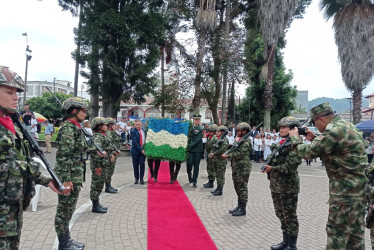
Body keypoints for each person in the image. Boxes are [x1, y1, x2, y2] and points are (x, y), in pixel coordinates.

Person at [289, 102, 367, 249]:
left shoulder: (334, 132)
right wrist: (314, 138)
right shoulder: (349, 127)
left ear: (321, 120)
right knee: (355, 238)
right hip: (359, 193)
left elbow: (307, 153)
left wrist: (295, 139)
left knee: (337, 237)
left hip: (344, 195)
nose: (315, 125)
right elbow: (337, 147)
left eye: (314, 122)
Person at [0, 65, 61, 249]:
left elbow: (22, 159)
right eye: (9, 91)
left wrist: (46, 180)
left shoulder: (13, 122)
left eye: (17, 92)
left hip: (12, 207)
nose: (16, 97)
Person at [54, 97, 91, 250]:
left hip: (75, 175)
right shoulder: (68, 129)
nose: (85, 113)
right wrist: (66, 179)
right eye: (83, 110)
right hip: (69, 177)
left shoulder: (76, 127)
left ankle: (67, 239)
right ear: (74, 111)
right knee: (64, 211)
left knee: (69, 210)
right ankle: (64, 243)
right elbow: (63, 156)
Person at [262, 116, 302, 250]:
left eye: (283, 127)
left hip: (288, 187)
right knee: (281, 214)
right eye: (280, 127)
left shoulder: (296, 144)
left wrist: (272, 168)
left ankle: (292, 244)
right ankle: (285, 241)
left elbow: (290, 166)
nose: (280, 129)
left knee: (290, 216)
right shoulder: (283, 142)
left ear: (292, 129)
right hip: (276, 185)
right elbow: (273, 157)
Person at [222, 122, 252, 216]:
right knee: (237, 186)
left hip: (243, 168)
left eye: (240, 130)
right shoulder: (239, 140)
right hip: (236, 167)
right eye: (237, 130)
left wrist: (228, 156)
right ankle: (239, 206)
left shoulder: (246, 142)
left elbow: (239, 154)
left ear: (245, 131)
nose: (238, 132)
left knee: (242, 188)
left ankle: (242, 208)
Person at [89, 117, 114, 213]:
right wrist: (98, 166)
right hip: (99, 166)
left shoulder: (101, 135)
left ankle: (97, 203)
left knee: (99, 185)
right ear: (99, 126)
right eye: (104, 125)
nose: (106, 126)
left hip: (103, 164)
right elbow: (95, 152)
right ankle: (95, 206)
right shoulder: (97, 137)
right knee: (96, 185)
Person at [209, 125, 229, 196]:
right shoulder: (220, 139)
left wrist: (214, 153)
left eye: (218, 131)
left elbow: (222, 149)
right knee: (217, 175)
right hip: (218, 160)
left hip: (221, 161)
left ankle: (220, 190)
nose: (216, 133)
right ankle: (218, 188)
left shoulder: (225, 140)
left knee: (220, 175)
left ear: (222, 132)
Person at [187, 114, 204, 188]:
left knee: (196, 166)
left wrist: (190, 145)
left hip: (197, 149)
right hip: (190, 150)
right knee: (189, 163)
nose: (197, 121)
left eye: (198, 120)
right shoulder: (190, 127)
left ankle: (194, 181)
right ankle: (189, 175)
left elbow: (198, 139)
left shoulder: (201, 128)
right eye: (195, 119)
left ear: (199, 120)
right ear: (193, 120)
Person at [105, 118, 121, 192]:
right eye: (114, 124)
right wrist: (112, 153)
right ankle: (107, 187)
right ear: (110, 125)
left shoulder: (113, 132)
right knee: (109, 171)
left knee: (111, 171)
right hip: (111, 155)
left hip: (115, 154)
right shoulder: (108, 133)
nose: (115, 126)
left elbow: (116, 142)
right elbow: (109, 145)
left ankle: (109, 186)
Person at [130, 119, 146, 184]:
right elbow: (134, 142)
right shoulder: (133, 131)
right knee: (135, 165)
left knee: (142, 164)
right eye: (136, 125)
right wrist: (141, 150)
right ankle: (136, 178)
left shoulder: (144, 130)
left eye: (139, 124)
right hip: (136, 151)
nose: (138, 126)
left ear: (141, 124)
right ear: (134, 125)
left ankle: (141, 178)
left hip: (143, 151)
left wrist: (145, 149)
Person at [203, 124, 217, 189]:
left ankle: (211, 182)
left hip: (212, 156)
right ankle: (209, 181)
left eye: (211, 131)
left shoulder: (215, 138)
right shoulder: (210, 137)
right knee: (209, 169)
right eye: (209, 131)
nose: (209, 132)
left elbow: (214, 148)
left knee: (212, 169)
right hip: (209, 155)